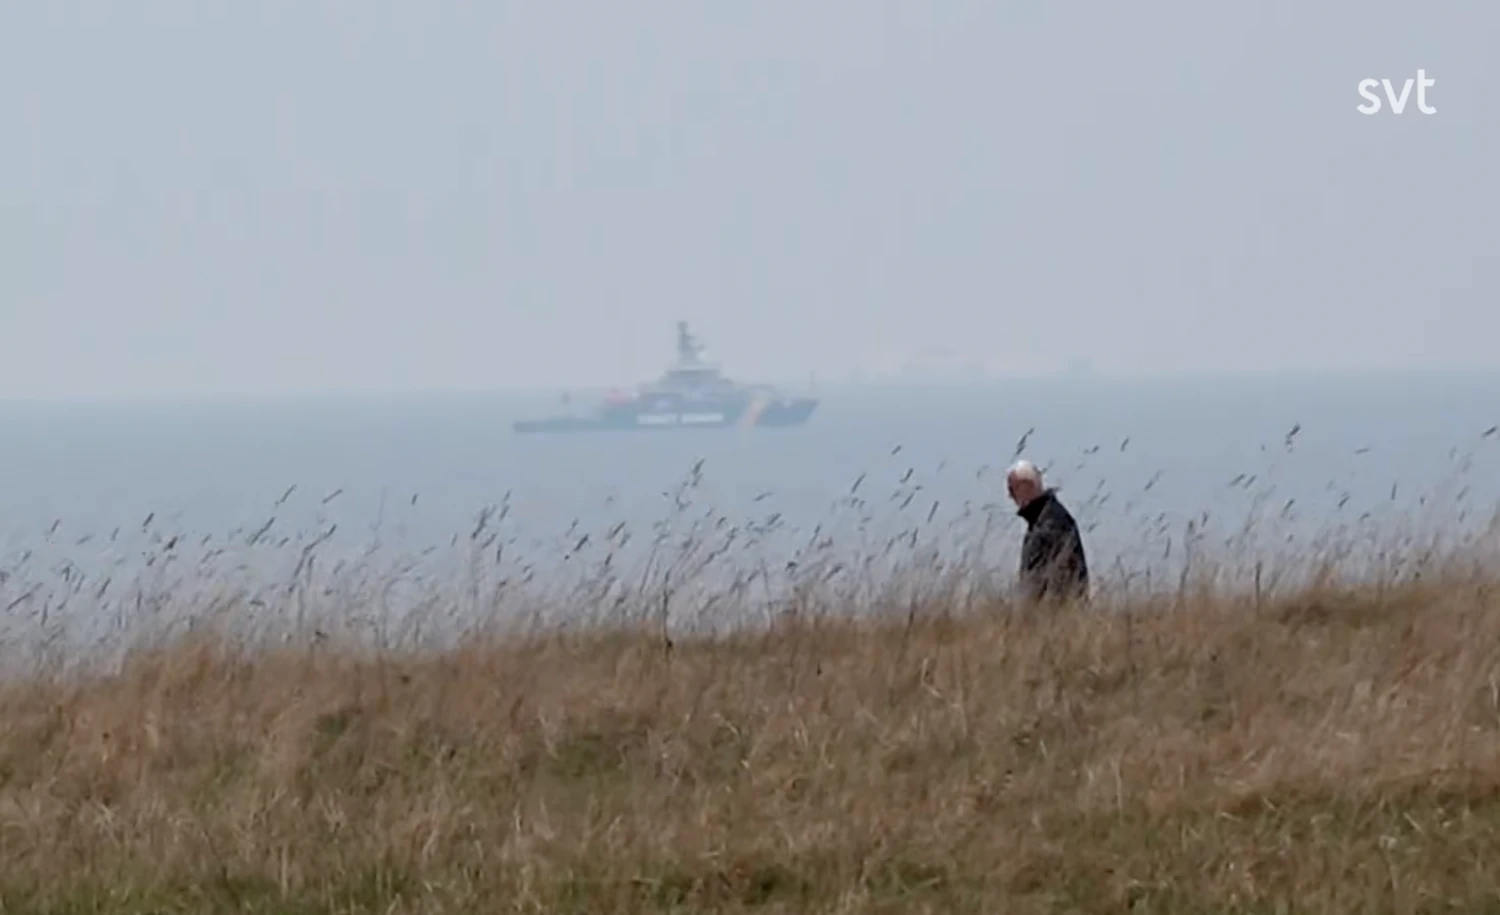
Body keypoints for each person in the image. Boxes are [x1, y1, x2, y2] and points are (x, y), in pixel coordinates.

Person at [1006, 459, 1089, 604]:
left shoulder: (1050, 523)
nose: (1010, 496)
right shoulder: (1043, 519)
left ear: (1026, 486)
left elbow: (1038, 581)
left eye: (1012, 489)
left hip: (1057, 616)